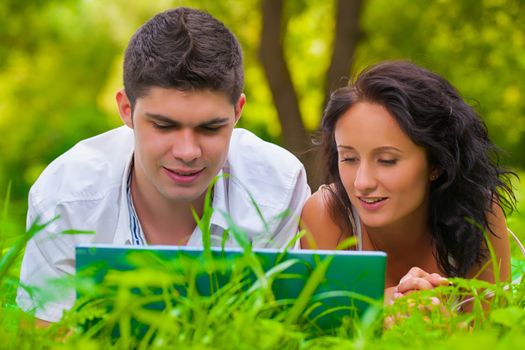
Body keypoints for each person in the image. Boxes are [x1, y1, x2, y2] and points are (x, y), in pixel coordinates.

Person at [17, 7, 310, 325]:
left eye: (211, 128)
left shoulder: (277, 189)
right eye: (164, 126)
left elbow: (281, 331)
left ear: (238, 112)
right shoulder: (65, 196)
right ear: (126, 109)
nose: (187, 151)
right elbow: (46, 337)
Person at [300, 60, 516, 304]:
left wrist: (442, 327)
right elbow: (327, 329)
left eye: (387, 160)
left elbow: (493, 334)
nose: (362, 183)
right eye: (349, 158)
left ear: (436, 163)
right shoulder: (327, 214)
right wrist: (378, 310)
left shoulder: (480, 211)